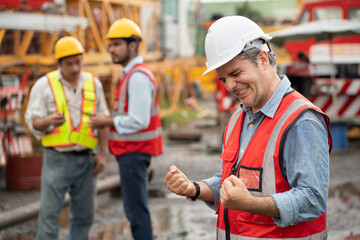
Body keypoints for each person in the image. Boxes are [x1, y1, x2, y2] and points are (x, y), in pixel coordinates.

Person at [165, 16, 332, 239]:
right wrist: (194, 189)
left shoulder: (301, 121)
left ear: (263, 59)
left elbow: (313, 199)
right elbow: (236, 182)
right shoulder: (238, 118)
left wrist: (251, 204)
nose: (231, 86)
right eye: (224, 79)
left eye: (236, 73)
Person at [25, 36, 109, 240]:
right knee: (49, 217)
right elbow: (33, 121)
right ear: (59, 64)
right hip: (56, 159)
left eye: (78, 62)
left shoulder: (93, 83)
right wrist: (48, 121)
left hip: (87, 161)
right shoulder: (43, 85)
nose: (75, 68)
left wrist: (103, 154)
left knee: (84, 216)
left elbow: (103, 120)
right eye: (69, 64)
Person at [89, 18, 163, 240]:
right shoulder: (132, 74)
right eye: (110, 45)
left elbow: (138, 120)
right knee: (136, 210)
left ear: (133, 45)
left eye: (116, 44)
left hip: (134, 153)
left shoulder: (137, 77)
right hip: (132, 152)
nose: (111, 49)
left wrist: (106, 121)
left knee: (136, 212)